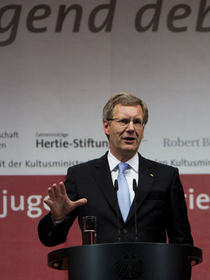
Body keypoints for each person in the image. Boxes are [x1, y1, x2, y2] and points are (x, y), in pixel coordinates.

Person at [38, 92, 193, 246]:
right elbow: (51, 239)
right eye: (124, 121)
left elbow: (182, 243)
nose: (131, 128)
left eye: (137, 122)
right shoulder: (81, 177)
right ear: (106, 126)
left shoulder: (166, 176)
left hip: (151, 270)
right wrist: (57, 218)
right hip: (99, 270)